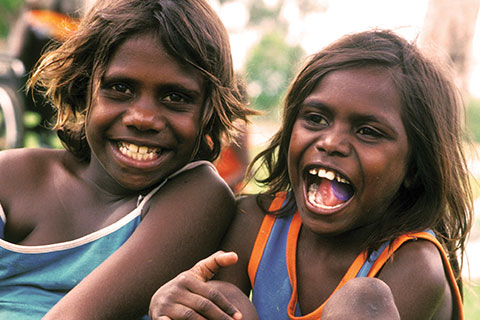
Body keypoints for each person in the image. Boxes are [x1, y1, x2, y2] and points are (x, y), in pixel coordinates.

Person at [149, 29, 473, 320]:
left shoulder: (414, 265)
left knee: (362, 300)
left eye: (368, 132)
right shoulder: (255, 221)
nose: (331, 142)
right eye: (316, 119)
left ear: (414, 170)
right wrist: (173, 303)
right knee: (224, 298)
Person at [0, 0, 255, 318]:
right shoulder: (10, 176)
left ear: (208, 112)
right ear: (84, 87)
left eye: (175, 97)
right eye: (120, 88)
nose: (143, 118)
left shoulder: (198, 196)